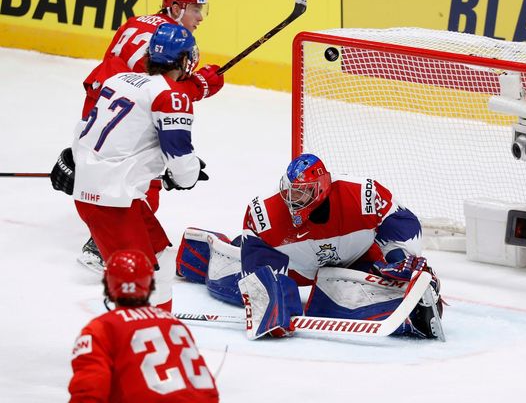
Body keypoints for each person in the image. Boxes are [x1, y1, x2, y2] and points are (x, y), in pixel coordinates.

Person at [53, 0, 223, 273]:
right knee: (141, 173)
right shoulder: (162, 43)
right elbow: (157, 92)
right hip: (123, 105)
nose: (200, 18)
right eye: (195, 10)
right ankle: (103, 243)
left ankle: (121, 226)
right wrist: (198, 86)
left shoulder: (137, 22)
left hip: (103, 97)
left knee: (123, 165)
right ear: (174, 7)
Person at [178, 154, 443, 340]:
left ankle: (414, 316)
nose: (293, 200)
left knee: (344, 294)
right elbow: (258, 265)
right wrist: (272, 303)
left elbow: (400, 219)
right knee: (234, 282)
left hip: (355, 258)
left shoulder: (360, 193)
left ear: (322, 188)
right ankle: (200, 252)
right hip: (295, 266)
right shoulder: (265, 213)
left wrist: (399, 257)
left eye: (302, 193)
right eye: (291, 192)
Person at [66, 23, 210, 310]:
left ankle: (159, 325)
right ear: (184, 60)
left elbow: (87, 132)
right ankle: (136, 342)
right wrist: (185, 174)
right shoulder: (171, 95)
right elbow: (182, 166)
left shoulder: (119, 80)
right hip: (113, 200)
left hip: (113, 193)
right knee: (141, 281)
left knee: (163, 258)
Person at [68, 249, 219, 402]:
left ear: (108, 284)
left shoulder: (101, 329)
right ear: (150, 284)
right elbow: (208, 391)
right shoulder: (173, 324)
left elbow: (87, 393)